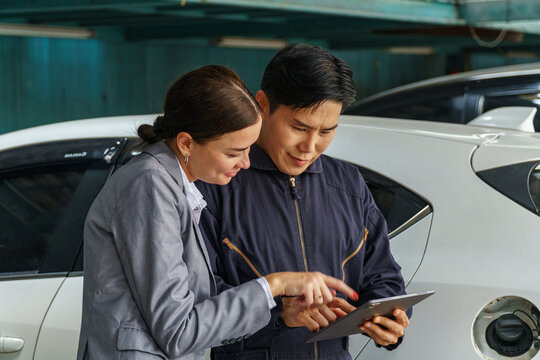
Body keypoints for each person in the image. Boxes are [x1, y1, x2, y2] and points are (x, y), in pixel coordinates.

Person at [76, 65, 358, 360]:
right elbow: (178, 331)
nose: (246, 163)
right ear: (186, 143)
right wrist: (275, 284)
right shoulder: (150, 184)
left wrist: (281, 311)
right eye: (234, 153)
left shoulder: (172, 184)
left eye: (249, 149)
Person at [197, 45, 410, 360]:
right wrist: (278, 315)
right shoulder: (216, 184)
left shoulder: (348, 184)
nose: (310, 148)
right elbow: (197, 303)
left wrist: (388, 317)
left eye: (327, 131)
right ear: (262, 104)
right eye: (299, 128)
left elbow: (382, 275)